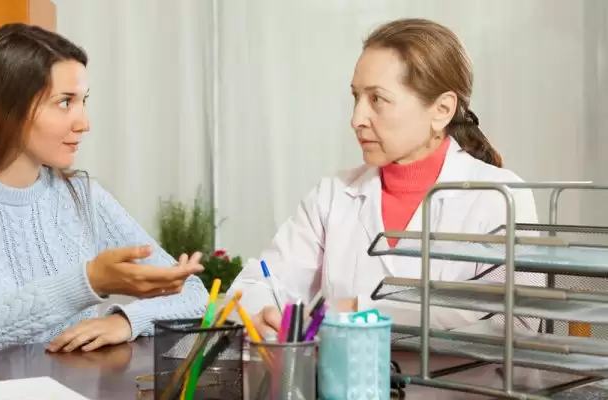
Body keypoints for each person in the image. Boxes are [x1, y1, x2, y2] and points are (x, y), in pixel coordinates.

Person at [0, 23, 208, 368]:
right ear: (8, 107)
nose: (83, 123)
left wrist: (126, 322)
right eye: (65, 102)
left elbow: (194, 295)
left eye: (83, 101)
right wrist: (85, 283)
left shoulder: (82, 195)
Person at [227, 18, 542, 336]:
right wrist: (261, 313)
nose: (356, 119)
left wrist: (361, 310)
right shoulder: (332, 196)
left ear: (442, 109)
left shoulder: (502, 197)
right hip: (337, 371)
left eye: (377, 99)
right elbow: (257, 284)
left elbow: (518, 321)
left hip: (457, 373)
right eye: (356, 97)